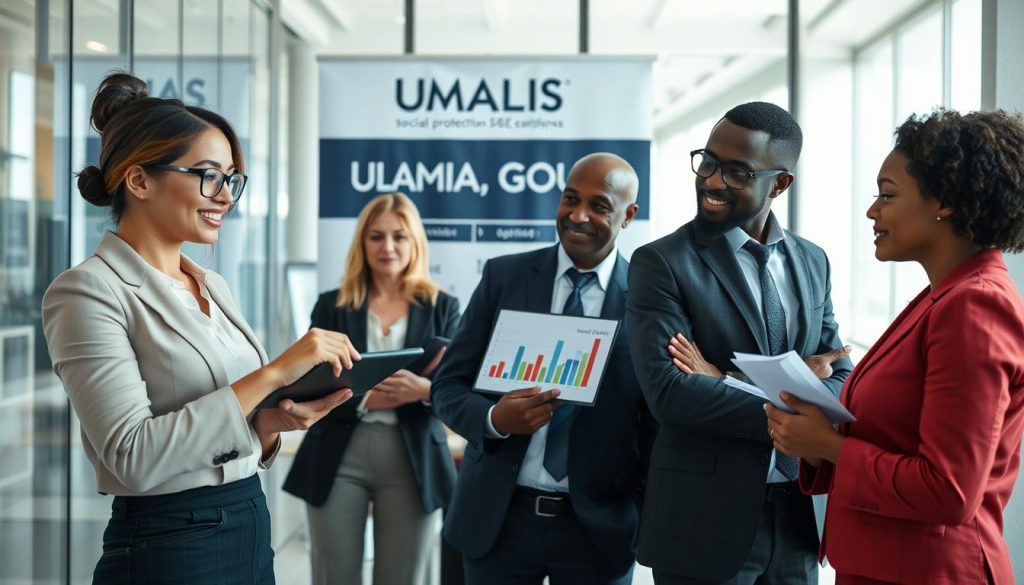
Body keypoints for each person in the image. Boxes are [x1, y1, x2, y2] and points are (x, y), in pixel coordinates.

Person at [42, 72, 358, 584]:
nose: (226, 197)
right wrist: (275, 372)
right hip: (168, 541)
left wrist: (267, 427)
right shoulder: (86, 292)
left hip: (247, 518)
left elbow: (226, 425)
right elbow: (131, 457)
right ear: (139, 180)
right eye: (209, 175)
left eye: (232, 179)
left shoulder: (211, 285)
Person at [766, 109, 1024, 585]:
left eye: (887, 195)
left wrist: (829, 446)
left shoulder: (975, 306)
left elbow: (949, 490)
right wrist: (820, 441)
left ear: (943, 201)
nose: (872, 211)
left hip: (932, 573)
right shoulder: (940, 297)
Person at [625, 101, 853, 585]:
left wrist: (725, 378)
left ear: (780, 184)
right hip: (703, 522)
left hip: (797, 518)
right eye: (707, 161)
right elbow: (671, 394)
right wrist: (798, 408)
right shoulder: (660, 263)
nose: (711, 181)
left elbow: (841, 374)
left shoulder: (813, 262)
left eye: (736, 172)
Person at [430, 152, 657, 585]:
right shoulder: (504, 278)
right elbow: (447, 386)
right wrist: (495, 419)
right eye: (570, 199)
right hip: (498, 523)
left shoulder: (648, 299)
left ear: (629, 215)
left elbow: (656, 422)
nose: (579, 215)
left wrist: (637, 514)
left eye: (599, 206)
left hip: (599, 533)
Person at [283, 192, 460, 585]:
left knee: (403, 577)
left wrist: (425, 391)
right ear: (362, 242)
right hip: (338, 453)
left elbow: (457, 388)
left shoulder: (443, 307)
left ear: (415, 242)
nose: (388, 247)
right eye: (376, 237)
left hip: (414, 456)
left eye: (400, 237)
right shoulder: (332, 306)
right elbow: (308, 386)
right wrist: (366, 399)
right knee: (334, 576)